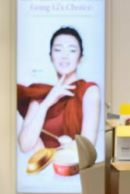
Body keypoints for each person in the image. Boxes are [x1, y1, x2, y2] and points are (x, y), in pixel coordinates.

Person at [17, 26, 101, 154]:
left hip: (75, 167)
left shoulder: (89, 91)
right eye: (58, 50)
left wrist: (52, 152)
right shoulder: (41, 94)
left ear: (81, 58)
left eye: (72, 50)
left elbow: (87, 147)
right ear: (51, 57)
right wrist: (47, 103)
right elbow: (24, 146)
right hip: (44, 167)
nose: (64, 56)